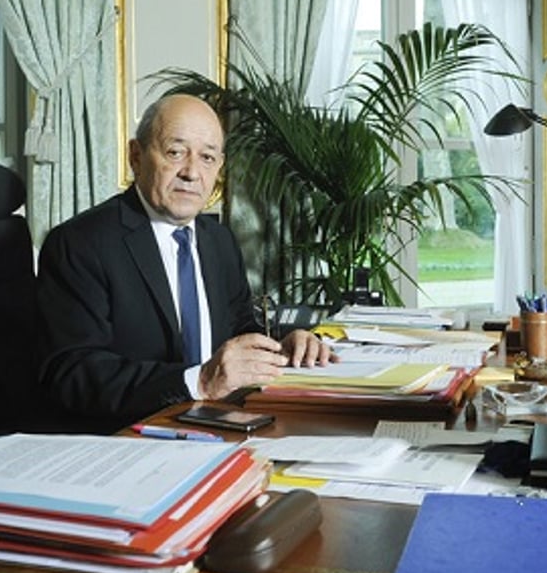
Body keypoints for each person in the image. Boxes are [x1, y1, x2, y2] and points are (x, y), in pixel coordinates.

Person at [36, 93, 334, 432]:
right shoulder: (81, 243)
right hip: (129, 438)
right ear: (136, 156)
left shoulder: (218, 240)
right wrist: (199, 381)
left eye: (207, 157)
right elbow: (72, 373)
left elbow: (239, 329)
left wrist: (281, 346)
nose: (192, 172)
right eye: (175, 152)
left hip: (221, 426)